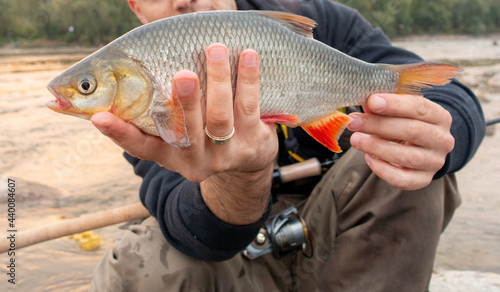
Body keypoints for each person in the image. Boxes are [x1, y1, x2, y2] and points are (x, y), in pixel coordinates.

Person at [89, 0, 485, 291]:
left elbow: (456, 101)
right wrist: (244, 172)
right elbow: (195, 234)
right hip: (238, 257)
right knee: (135, 262)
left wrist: (435, 141)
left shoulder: (324, 19)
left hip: (347, 239)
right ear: (137, 9)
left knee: (397, 154)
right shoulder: (139, 94)